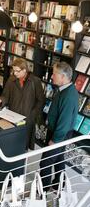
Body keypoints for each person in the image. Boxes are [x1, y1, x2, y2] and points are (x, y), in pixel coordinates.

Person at [40, 62, 78, 191]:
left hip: (59, 134)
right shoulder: (64, 90)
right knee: (58, 159)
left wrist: (55, 140)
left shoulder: (68, 95)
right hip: (60, 132)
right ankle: (58, 185)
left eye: (54, 74)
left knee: (45, 163)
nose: (51, 76)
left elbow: (65, 121)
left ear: (63, 77)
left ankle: (42, 191)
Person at [0, 58, 45, 150]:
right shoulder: (11, 79)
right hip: (13, 115)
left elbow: (40, 100)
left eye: (17, 71)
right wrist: (0, 100)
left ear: (24, 70)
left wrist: (33, 114)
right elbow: (5, 95)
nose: (15, 73)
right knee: (13, 142)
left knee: (24, 143)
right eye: (13, 70)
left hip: (27, 117)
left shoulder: (35, 81)